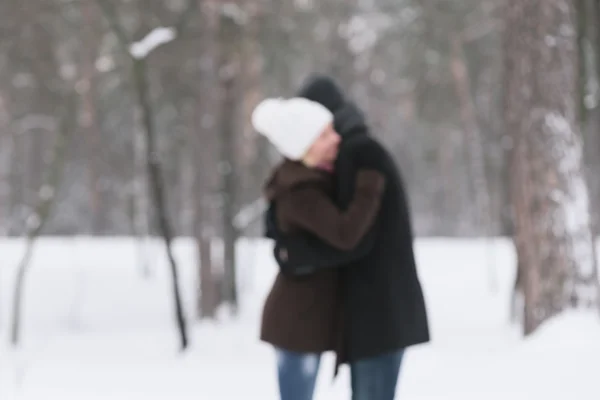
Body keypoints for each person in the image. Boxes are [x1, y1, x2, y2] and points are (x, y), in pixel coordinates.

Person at [265, 75, 431, 400]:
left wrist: (295, 255)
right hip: (372, 309)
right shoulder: (346, 152)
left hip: (379, 311)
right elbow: (295, 208)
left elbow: (353, 237)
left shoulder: (359, 153)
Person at [252, 96, 387, 400]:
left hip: (305, 320)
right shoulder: (302, 192)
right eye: (325, 134)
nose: (336, 138)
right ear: (304, 145)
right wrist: (369, 184)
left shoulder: (308, 178)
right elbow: (344, 234)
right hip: (296, 323)